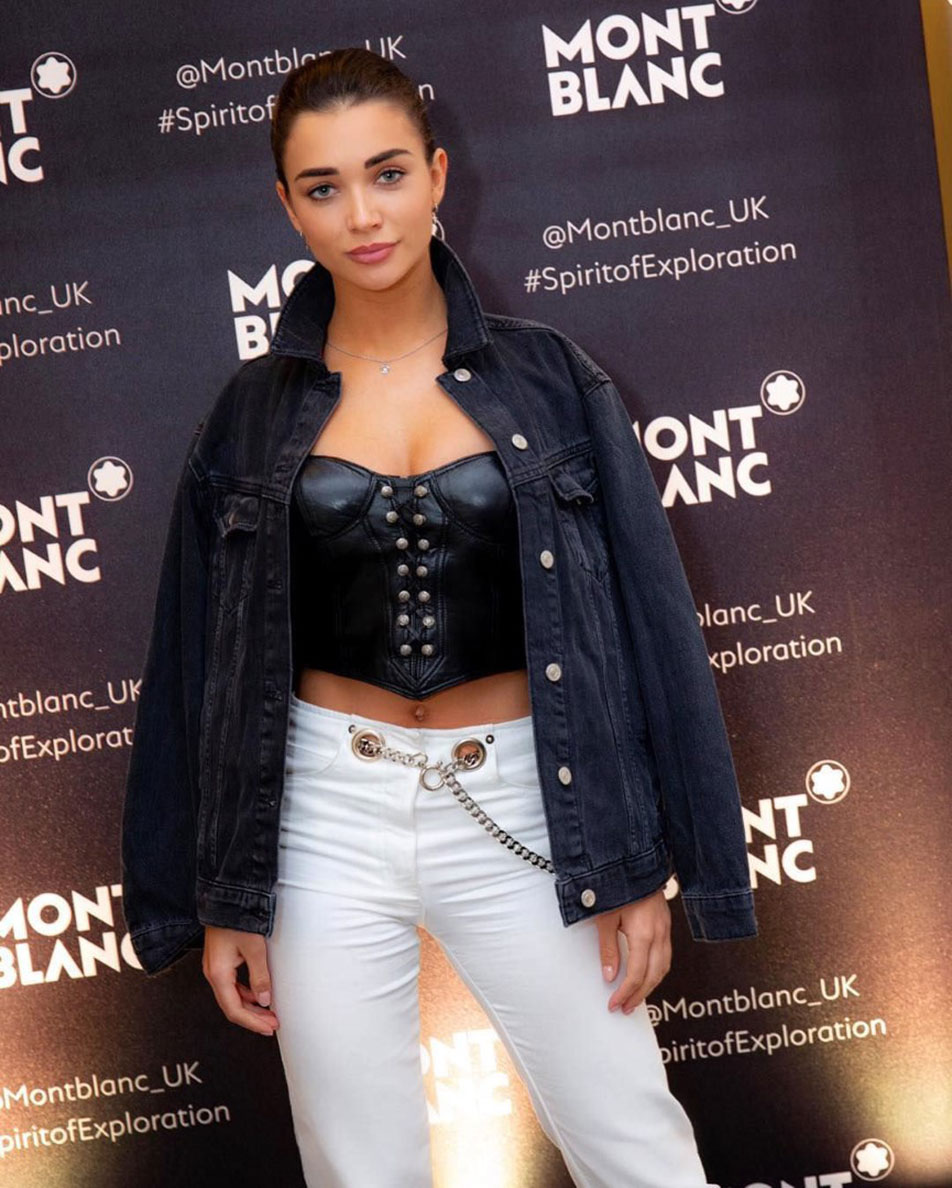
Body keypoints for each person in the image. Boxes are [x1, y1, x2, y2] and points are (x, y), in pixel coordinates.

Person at [121, 46, 756, 1188]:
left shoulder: (552, 379)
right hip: (322, 813)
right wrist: (219, 895)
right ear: (287, 206)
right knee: (357, 1167)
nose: (362, 215)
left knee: (636, 1146)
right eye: (323, 187)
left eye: (387, 173)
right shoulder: (248, 414)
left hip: (531, 800)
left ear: (437, 175)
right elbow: (194, 665)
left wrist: (647, 864)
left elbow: (653, 628)